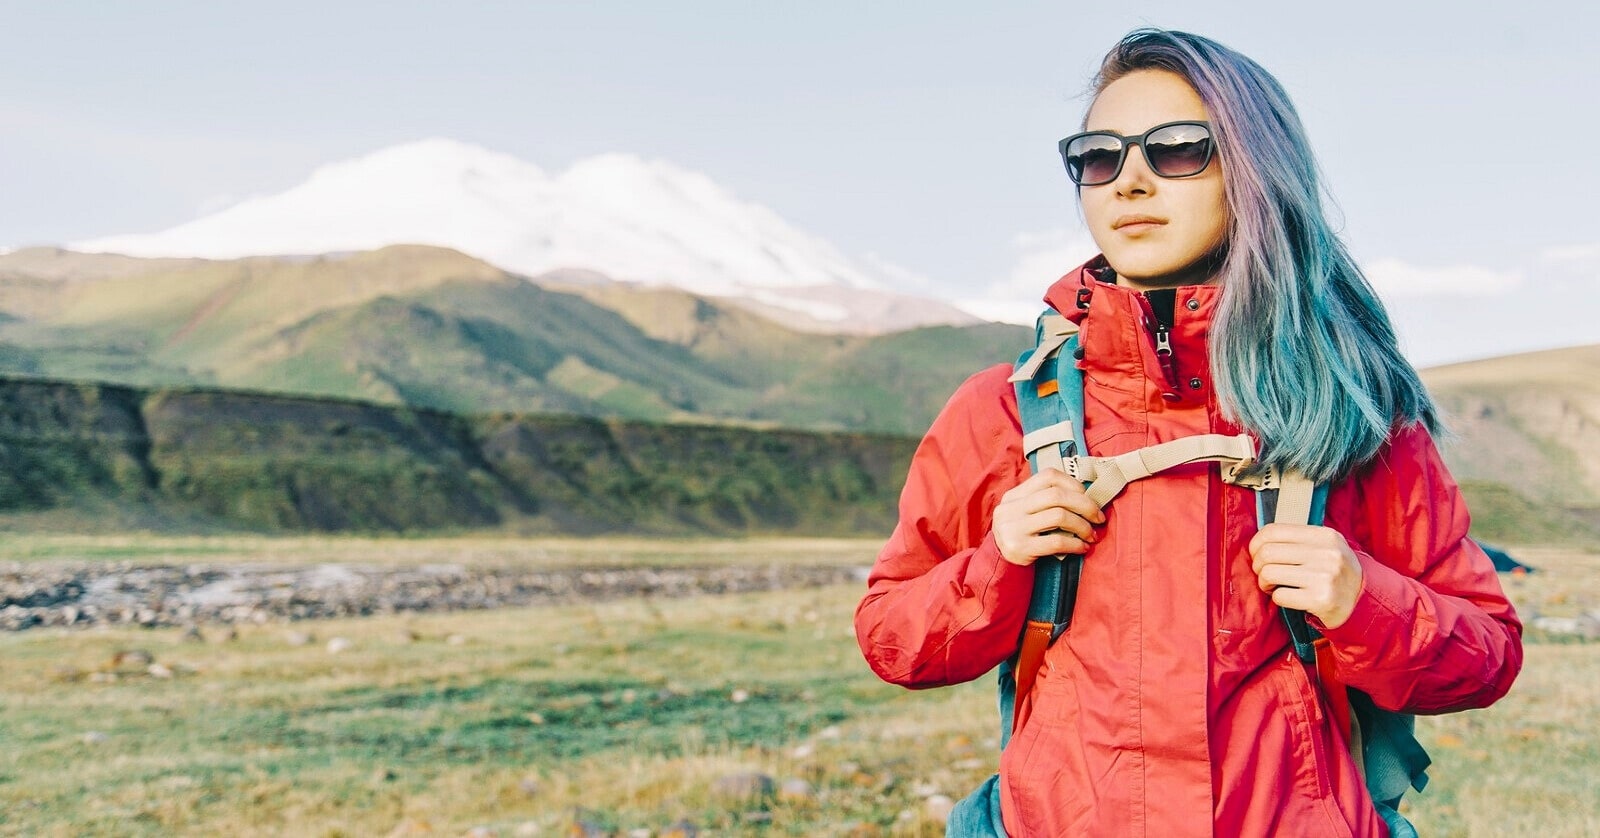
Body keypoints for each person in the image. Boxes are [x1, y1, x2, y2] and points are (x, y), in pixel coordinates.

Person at [854, 28, 1522, 837]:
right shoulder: (1002, 409)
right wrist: (998, 563)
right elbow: (893, 641)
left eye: (1176, 149)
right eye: (1099, 156)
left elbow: (1487, 656)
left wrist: (1363, 601)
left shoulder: (1360, 411)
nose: (1128, 181)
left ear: (1255, 168)